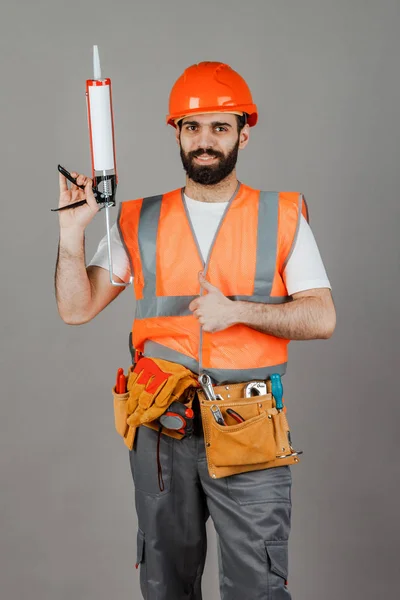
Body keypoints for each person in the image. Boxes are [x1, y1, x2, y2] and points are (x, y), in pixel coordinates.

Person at [55, 61, 336, 600]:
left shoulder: (282, 215)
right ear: (177, 134)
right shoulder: (138, 219)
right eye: (192, 127)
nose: (204, 141)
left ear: (243, 134)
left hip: (249, 428)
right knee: (165, 587)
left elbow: (321, 316)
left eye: (219, 127)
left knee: (258, 588)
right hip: (163, 428)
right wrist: (72, 235)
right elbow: (76, 307)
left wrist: (240, 312)